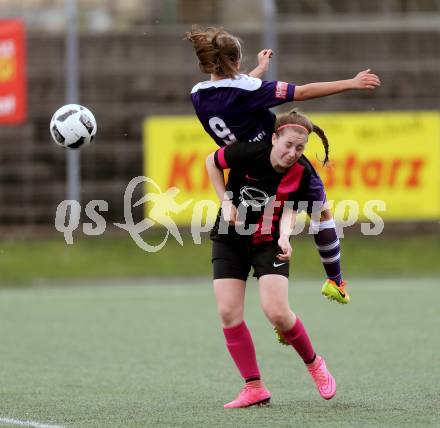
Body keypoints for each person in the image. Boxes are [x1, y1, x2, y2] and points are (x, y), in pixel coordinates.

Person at [186, 26, 381, 304]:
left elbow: (233, 91)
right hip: (271, 156)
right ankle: (335, 281)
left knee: (257, 230)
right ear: (236, 62)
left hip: (241, 165)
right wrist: (351, 82)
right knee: (320, 212)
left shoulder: (198, 94)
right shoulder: (247, 89)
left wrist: (259, 70)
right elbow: (300, 92)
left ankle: (273, 308)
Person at [205, 109, 336, 408]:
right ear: (274, 137)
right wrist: (225, 201)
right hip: (230, 235)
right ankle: (254, 387)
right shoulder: (250, 151)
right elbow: (210, 161)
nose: (292, 153)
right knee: (228, 312)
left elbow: (292, 207)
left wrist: (285, 236)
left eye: (300, 148)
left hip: (269, 240)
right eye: (288, 144)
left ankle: (315, 363)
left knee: (277, 312)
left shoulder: (302, 171)